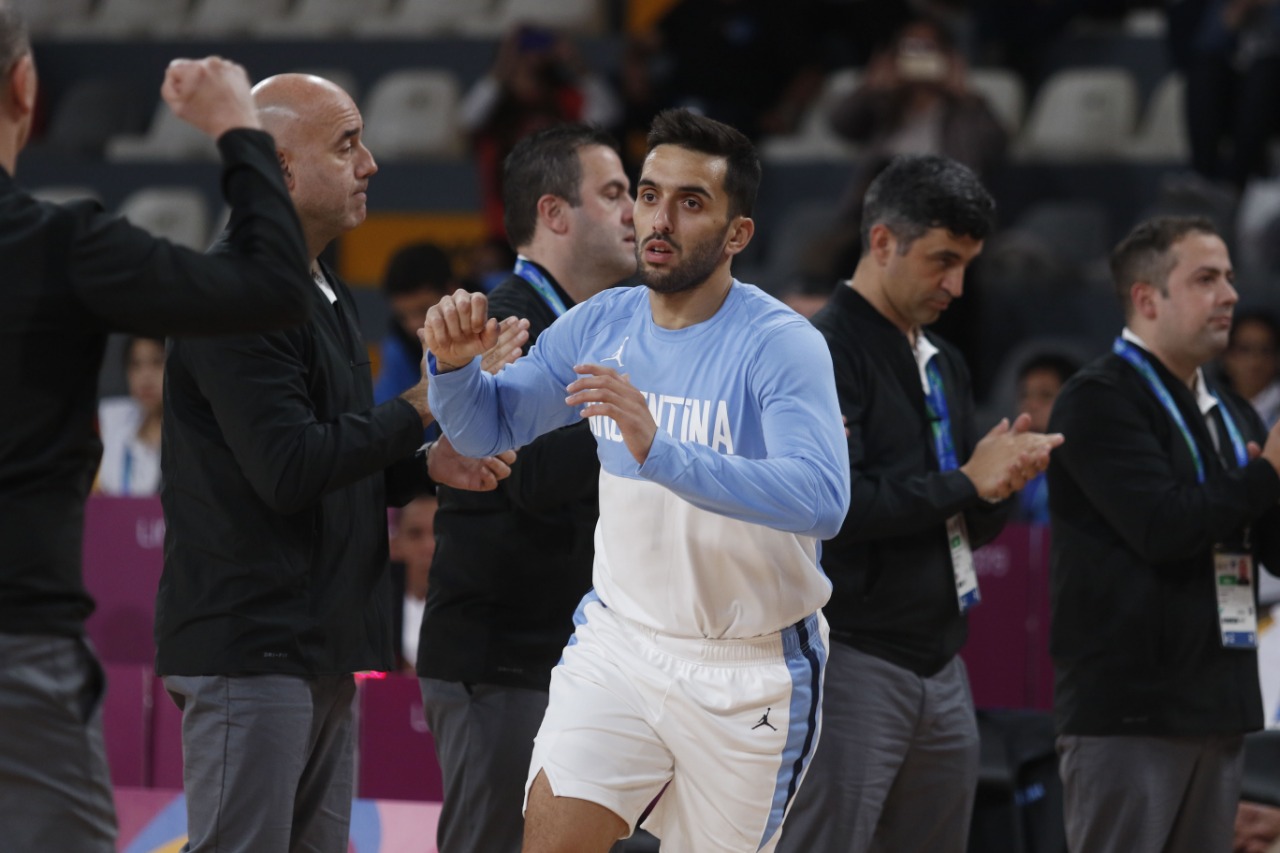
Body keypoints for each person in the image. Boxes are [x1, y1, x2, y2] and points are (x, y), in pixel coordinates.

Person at [423, 108, 850, 853]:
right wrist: (452, 369)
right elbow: (489, 429)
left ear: (737, 233)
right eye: (648, 195)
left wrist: (663, 451)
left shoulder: (784, 345)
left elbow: (822, 500)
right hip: (620, 641)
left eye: (690, 202)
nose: (657, 218)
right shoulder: (600, 322)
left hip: (748, 667)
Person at [155, 73, 526, 853]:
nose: (372, 165)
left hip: (317, 642)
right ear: (282, 169)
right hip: (251, 648)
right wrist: (427, 400)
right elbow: (289, 468)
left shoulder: (320, 289)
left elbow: (338, 452)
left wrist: (430, 467)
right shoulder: (235, 295)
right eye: (347, 144)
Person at [0, 8, 319, 850]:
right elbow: (272, 286)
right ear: (26, 88)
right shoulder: (55, 242)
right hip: (14, 654)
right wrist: (237, 130)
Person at [776, 154, 1063, 853]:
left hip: (942, 661)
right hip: (851, 655)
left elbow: (959, 517)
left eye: (966, 263)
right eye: (941, 261)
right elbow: (839, 507)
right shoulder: (821, 352)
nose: (957, 284)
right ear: (881, 242)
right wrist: (969, 481)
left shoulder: (945, 362)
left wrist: (1000, 482)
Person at [418, 122, 637, 853]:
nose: (635, 211)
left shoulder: (593, 330)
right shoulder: (502, 321)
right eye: (614, 193)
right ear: (554, 214)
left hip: (565, 653)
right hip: (499, 659)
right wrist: (642, 415)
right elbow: (534, 477)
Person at [1048, 215, 1280, 853]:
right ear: (1148, 299)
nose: (1230, 294)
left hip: (1217, 700)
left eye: (1230, 277)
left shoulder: (1229, 408)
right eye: (1206, 278)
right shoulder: (1099, 399)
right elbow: (1163, 527)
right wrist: (1266, 476)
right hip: (1132, 710)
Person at [462, 24, 621, 239]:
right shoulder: (495, 110)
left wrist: (576, 63)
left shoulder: (562, 100)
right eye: (520, 52)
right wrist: (501, 67)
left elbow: (608, 114)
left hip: (561, 226)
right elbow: (467, 119)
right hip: (506, 228)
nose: (527, 60)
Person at [373, 241, 459, 406]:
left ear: (452, 290)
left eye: (423, 310)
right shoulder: (397, 350)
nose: (414, 325)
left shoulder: (499, 318)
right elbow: (389, 418)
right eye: (403, 315)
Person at [1012, 351, 1079, 524]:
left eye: (1046, 395)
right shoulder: (1009, 467)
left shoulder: (1084, 472)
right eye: (1025, 395)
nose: (1031, 405)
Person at [96, 335, 166, 496]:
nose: (146, 376)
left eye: (157, 362)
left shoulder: (192, 435)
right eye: (136, 365)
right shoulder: (110, 428)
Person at [390, 492, 438, 672]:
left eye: (438, 533)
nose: (429, 547)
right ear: (394, 545)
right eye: (415, 534)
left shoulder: (476, 618)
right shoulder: (373, 620)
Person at [1222, 309, 1280, 428]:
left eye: (1265, 351)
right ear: (1227, 355)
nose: (1255, 362)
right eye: (1245, 350)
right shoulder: (1212, 406)